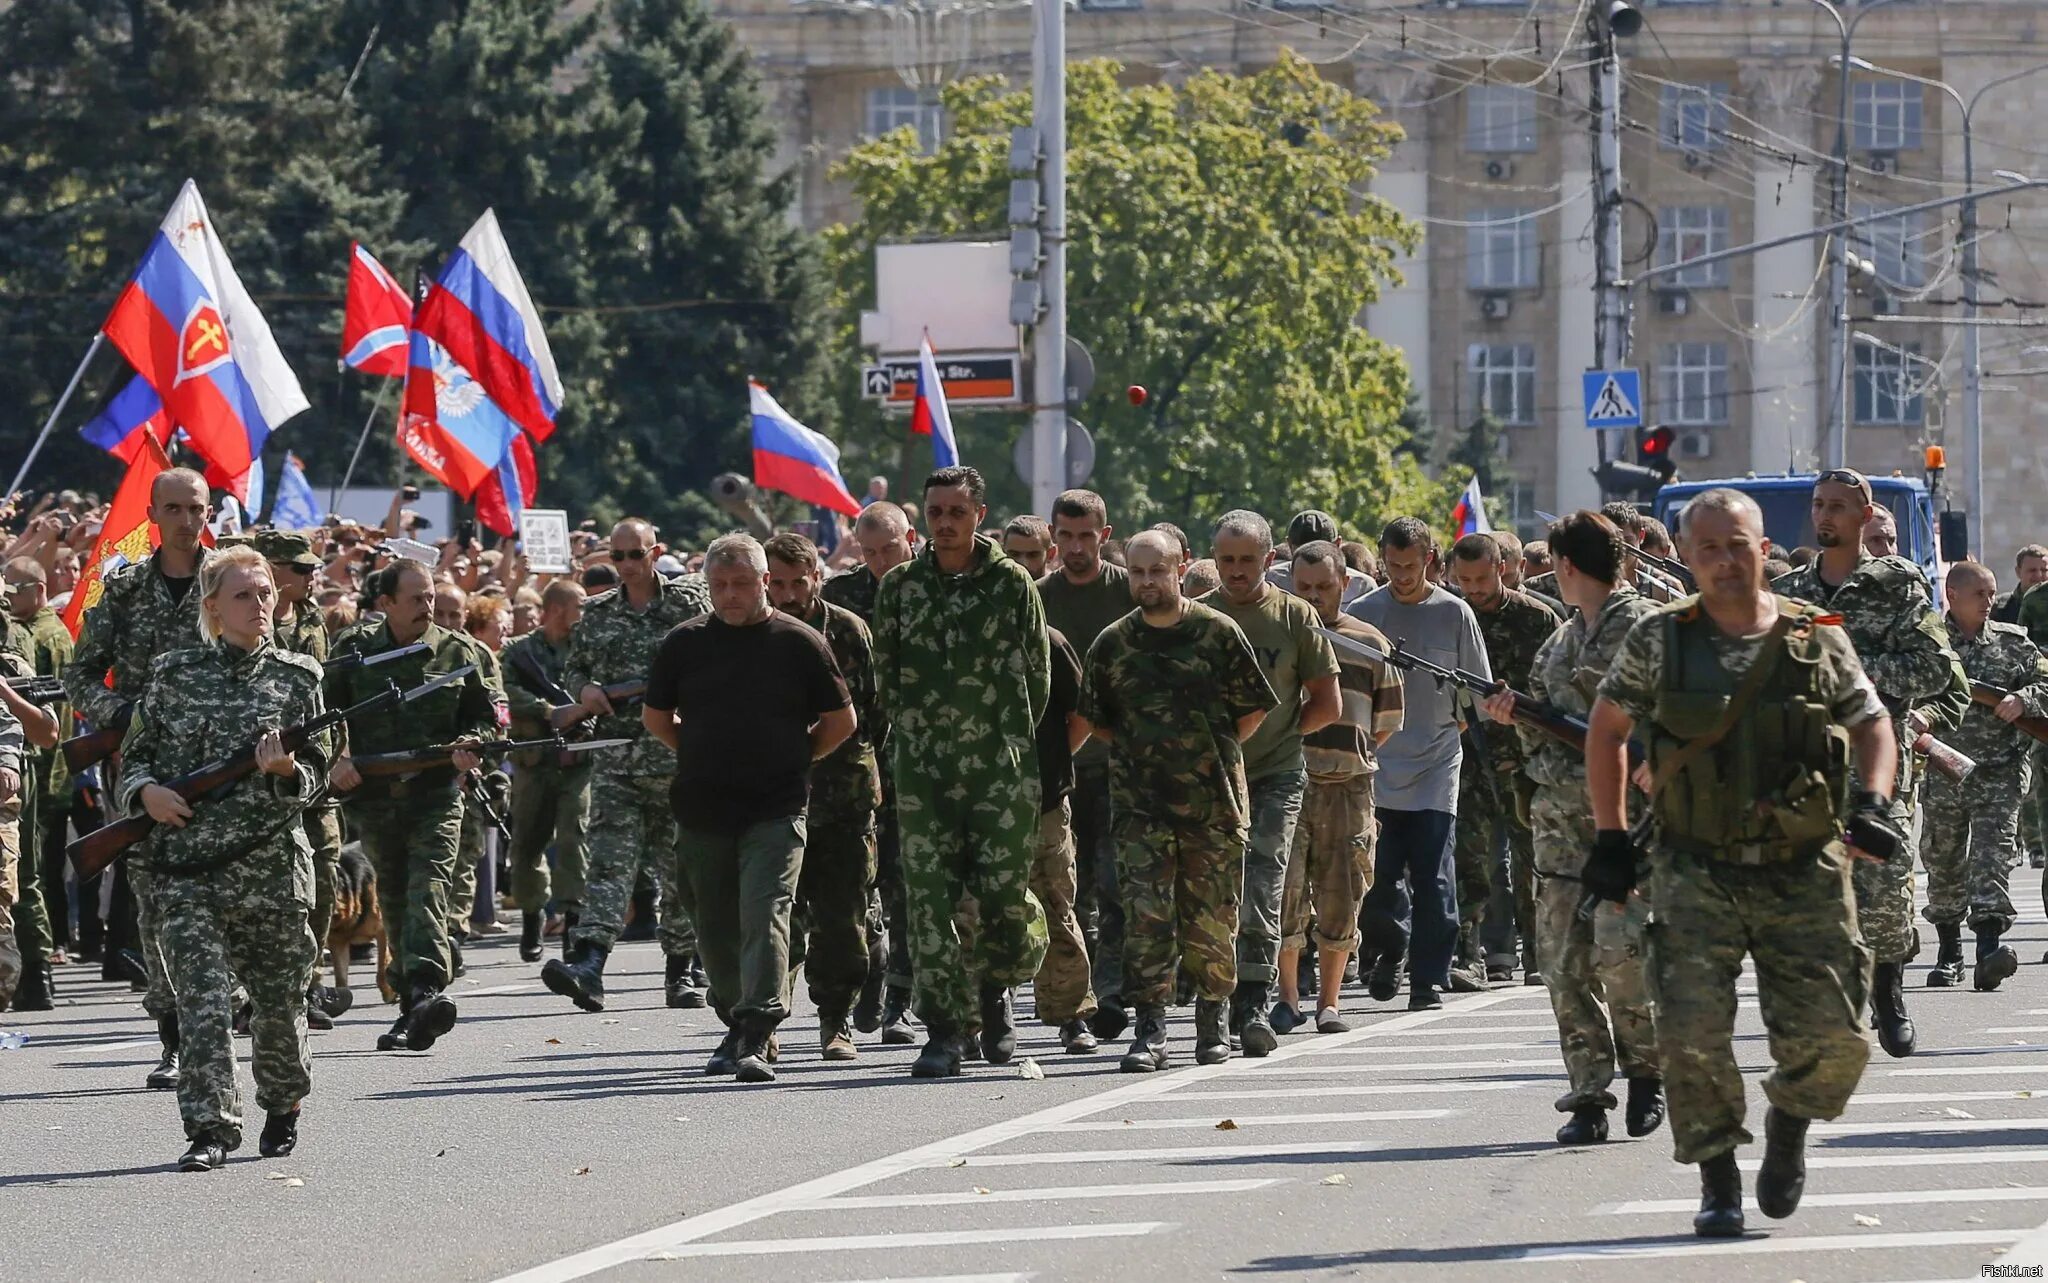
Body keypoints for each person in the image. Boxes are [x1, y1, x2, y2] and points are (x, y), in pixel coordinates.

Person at [1587, 487, 1898, 1238]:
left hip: (1804, 864)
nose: (1726, 561)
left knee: (1835, 1034)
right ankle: (1717, 1174)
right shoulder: (1660, 639)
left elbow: (1872, 722)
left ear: (1764, 550)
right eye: (1709, 549)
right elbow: (1606, 729)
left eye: (1738, 545)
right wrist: (1610, 834)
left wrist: (1874, 802)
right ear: (1687, 559)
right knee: (1691, 1031)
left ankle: (1790, 1119)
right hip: (1696, 865)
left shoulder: (1815, 634)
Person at [117, 546, 325, 1170]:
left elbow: (321, 772)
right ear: (212, 607)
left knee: (279, 1009)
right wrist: (145, 793)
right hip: (187, 871)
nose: (260, 603)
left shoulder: (300, 678)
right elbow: (135, 757)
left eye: (265, 592)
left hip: (270, 870)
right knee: (202, 1002)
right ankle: (210, 1128)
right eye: (243, 594)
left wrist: (287, 770)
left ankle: (283, 1102)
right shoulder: (173, 674)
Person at [644, 535, 853, 1083]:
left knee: (765, 911)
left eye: (741, 584)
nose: (730, 595)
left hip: (776, 805)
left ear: (765, 582)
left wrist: (797, 756)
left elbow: (840, 723)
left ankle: (756, 1025)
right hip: (703, 805)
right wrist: (697, 750)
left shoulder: (800, 643)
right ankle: (736, 1017)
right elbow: (656, 718)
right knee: (713, 922)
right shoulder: (684, 643)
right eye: (719, 585)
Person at [1482, 511, 1661, 1147]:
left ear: (1565, 565)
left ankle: (1646, 1073)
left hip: (1630, 828)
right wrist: (1514, 714)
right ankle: (1588, 1093)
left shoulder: (1642, 627)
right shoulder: (1560, 642)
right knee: (1562, 963)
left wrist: (1658, 761)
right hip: (1559, 824)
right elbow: (1548, 717)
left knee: (1624, 958)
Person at [1773, 469, 1960, 1057]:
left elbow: (1936, 670)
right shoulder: (1793, 591)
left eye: (1837, 507)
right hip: (1806, 769)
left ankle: (1888, 988)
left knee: (1884, 898)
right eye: (1818, 505)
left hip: (1879, 767)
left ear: (1864, 515)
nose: (1825, 516)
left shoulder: (1895, 583)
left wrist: (1851, 668)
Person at [872, 466, 1050, 1079]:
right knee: (929, 902)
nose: (944, 523)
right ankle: (945, 1028)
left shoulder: (1012, 584)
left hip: (999, 772)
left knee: (1001, 896)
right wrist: (921, 737)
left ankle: (998, 998)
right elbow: (885, 676)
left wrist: (1002, 739)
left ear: (979, 513)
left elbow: (1039, 678)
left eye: (956, 511)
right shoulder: (900, 586)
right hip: (923, 771)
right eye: (935, 511)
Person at [1079, 530, 1275, 1070]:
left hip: (1212, 806)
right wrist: (1149, 754)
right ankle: (1152, 1027)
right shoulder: (1113, 643)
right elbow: (1098, 721)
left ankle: (1213, 1022)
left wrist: (1207, 753)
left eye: (1157, 570)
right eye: (1138, 572)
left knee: (1212, 917)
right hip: (1141, 807)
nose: (1146, 581)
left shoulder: (1217, 633)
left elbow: (1252, 711)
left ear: (1182, 567)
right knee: (1146, 918)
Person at [65, 467, 215, 1088]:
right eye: (174, 509)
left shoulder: (232, 581)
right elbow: (80, 676)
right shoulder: (123, 592)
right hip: (144, 770)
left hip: (221, 767)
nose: (186, 521)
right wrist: (122, 716)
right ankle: (174, 1037)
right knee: (155, 905)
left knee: (225, 898)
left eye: (197, 508)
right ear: (153, 515)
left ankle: (227, 1016)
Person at [327, 560, 501, 1053]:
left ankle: (424, 988)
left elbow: (490, 719)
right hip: (376, 797)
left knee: (429, 889)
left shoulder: (460, 652)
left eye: (431, 597)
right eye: (416, 599)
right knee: (398, 900)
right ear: (385, 604)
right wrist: (339, 759)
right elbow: (323, 718)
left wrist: (474, 744)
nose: (428, 607)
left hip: (436, 793)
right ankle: (413, 1006)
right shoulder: (353, 652)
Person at [543, 520, 711, 1014]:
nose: (626, 565)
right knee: (609, 866)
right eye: (617, 556)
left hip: (676, 757)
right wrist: (584, 693)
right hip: (616, 759)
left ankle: (681, 968)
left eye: (635, 554)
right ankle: (590, 963)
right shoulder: (596, 614)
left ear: (655, 552)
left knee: (680, 872)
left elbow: (710, 662)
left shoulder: (687, 606)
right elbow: (576, 668)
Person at [1197, 511, 1340, 1052]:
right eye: (1226, 560)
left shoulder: (1294, 617)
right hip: (1212, 776)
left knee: (1262, 881)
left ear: (1269, 560)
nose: (1236, 571)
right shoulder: (1199, 619)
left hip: (1276, 773)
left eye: (1247, 560)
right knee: (1213, 888)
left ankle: (1253, 1000)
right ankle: (1213, 997)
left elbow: (1327, 703)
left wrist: (1281, 733)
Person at [1348, 517, 1490, 1011]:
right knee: (1379, 877)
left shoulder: (1454, 613)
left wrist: (1454, 733)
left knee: (1433, 876)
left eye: (1410, 566)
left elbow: (1477, 692)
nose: (1402, 575)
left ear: (1429, 560)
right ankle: (1390, 951)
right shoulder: (1364, 612)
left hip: (1436, 765)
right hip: (1377, 767)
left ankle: (1428, 979)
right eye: (1392, 565)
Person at [1275, 542, 1401, 1034]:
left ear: (1344, 584)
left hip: (1348, 783)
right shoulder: (1282, 635)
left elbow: (1387, 721)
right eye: (1303, 588)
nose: (1313, 597)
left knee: (1343, 890)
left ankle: (1330, 1001)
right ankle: (1287, 996)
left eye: (1323, 587)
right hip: (1290, 779)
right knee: (1285, 890)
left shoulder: (1369, 643)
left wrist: (1349, 748)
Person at [764, 533, 880, 1060]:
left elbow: (875, 712)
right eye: (779, 583)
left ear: (817, 576)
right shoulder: (757, 635)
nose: (789, 594)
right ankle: (764, 1020)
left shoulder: (849, 631)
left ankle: (836, 1020)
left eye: (798, 581)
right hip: (773, 795)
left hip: (843, 796)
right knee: (774, 915)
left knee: (841, 916)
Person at [1921, 561, 2048, 990]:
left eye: (1993, 593)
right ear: (1952, 596)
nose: (1990, 602)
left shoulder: (2014, 643)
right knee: (1944, 862)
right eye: (1980, 594)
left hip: (2000, 773)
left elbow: (2046, 681)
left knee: (1992, 860)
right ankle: (1949, 952)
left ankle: (1988, 950)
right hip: (1944, 771)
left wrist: (2025, 698)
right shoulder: (1928, 644)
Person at [1001, 516, 1100, 1052]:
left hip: (1043, 798)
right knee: (985, 909)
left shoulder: (1050, 640)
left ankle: (1071, 1014)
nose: (1019, 571)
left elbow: (1079, 715)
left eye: (1028, 559)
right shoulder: (977, 635)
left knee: (1058, 904)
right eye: (1008, 560)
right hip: (986, 800)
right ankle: (990, 1013)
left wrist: (1056, 763)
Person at [1037, 489, 1132, 1043]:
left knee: (1117, 884)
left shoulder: (1128, 592)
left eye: (1086, 535)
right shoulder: (1037, 597)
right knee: (1069, 894)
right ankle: (1080, 1001)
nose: (1075, 547)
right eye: (1066, 536)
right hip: (1060, 767)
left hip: (1120, 763)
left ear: (1105, 533)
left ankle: (1114, 993)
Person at [1446, 534, 1559, 989]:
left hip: (1527, 757)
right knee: (1469, 860)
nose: (1473, 588)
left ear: (1502, 568)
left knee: (1533, 860)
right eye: (1464, 579)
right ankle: (1469, 956)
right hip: (1470, 755)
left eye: (1481, 578)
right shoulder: (1452, 616)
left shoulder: (1538, 618)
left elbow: (1559, 687)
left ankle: (1537, 953)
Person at [824, 500, 917, 1042]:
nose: (882, 560)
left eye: (891, 548)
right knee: (862, 883)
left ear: (912, 538)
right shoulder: (841, 599)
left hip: (917, 758)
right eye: (870, 551)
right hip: (857, 763)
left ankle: (900, 998)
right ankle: (871, 979)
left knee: (905, 885)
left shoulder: (930, 587)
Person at [253, 531, 350, 1031]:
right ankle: (255, 991)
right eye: (301, 567)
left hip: (315, 774)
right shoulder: (245, 621)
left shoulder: (312, 620)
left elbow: (328, 697)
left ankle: (309, 987)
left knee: (323, 877)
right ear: (272, 569)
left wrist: (341, 753)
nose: (313, 575)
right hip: (262, 777)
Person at [500, 579, 592, 963]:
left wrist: (582, 709)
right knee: (527, 842)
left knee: (575, 836)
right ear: (556, 609)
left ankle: (572, 922)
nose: (584, 613)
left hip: (577, 761)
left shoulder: (586, 651)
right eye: (579, 605)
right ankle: (532, 916)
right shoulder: (520, 651)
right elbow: (504, 692)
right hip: (535, 761)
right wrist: (547, 710)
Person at [5, 557, 69, 1012]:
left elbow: (48, 731)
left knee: (23, 876)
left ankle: (35, 974)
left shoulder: (12, 658)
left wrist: (3, 691)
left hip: (12, 774)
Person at [1266, 510, 1372, 607]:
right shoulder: (1269, 581)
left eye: (1325, 586)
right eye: (1304, 586)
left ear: (1338, 544)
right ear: (1289, 545)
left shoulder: (1362, 587)